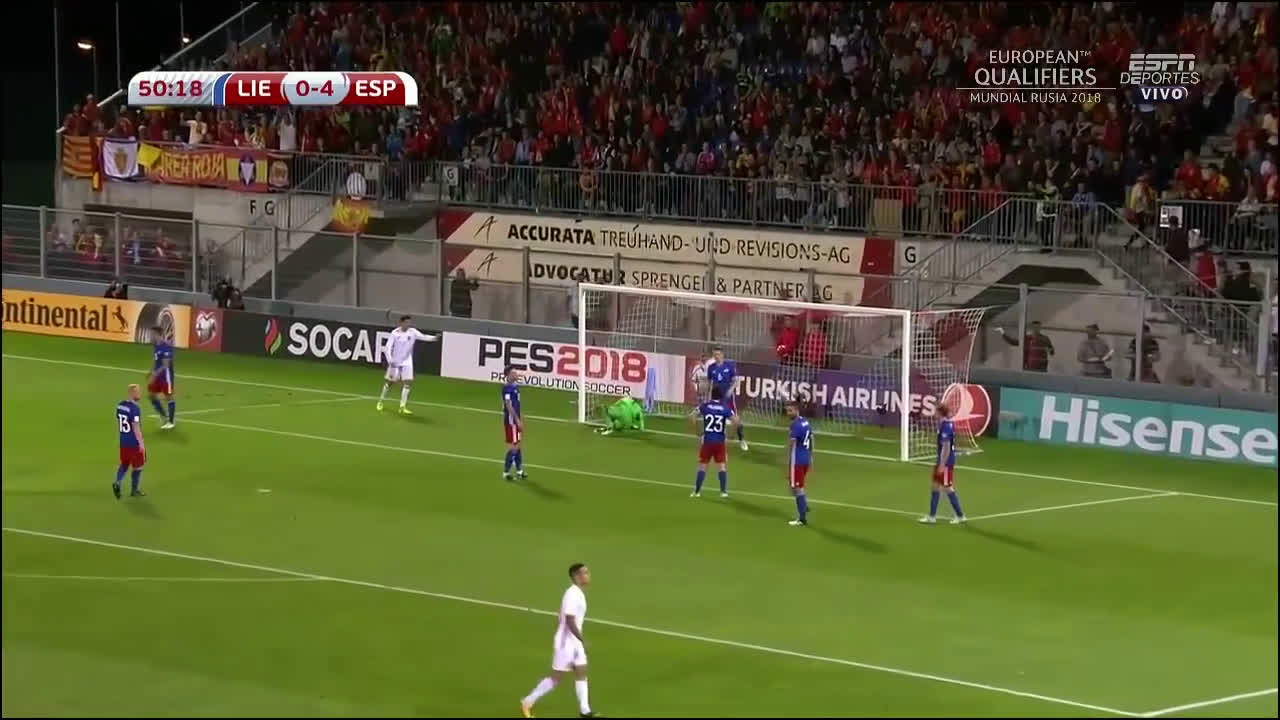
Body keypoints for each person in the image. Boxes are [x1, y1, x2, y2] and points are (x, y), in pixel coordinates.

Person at [520, 563, 596, 719]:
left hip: (574, 642)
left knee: (581, 671)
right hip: (566, 643)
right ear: (576, 576)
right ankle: (527, 701)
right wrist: (582, 640)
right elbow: (569, 619)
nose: (588, 575)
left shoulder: (578, 593)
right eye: (585, 572)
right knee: (556, 678)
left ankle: (585, 710)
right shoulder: (572, 594)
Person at [377, 315, 438, 414]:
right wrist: (390, 360)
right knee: (390, 382)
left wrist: (434, 338)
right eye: (406, 322)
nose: (408, 324)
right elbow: (388, 347)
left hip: (407, 361)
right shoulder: (395, 333)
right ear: (401, 323)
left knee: (408, 382)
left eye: (409, 322)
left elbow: (423, 336)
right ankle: (381, 401)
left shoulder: (412, 332)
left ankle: (402, 406)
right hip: (395, 361)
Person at [919, 403, 966, 524]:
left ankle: (960, 516)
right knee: (935, 486)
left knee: (947, 488)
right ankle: (932, 516)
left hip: (945, 462)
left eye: (936, 411)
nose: (934, 413)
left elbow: (946, 447)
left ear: (940, 413)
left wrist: (942, 464)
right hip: (942, 460)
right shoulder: (947, 424)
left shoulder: (946, 427)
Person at [690, 386, 736, 498]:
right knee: (721, 466)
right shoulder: (725, 408)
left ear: (711, 395)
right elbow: (736, 420)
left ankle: (697, 492)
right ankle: (723, 492)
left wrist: (697, 431)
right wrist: (732, 434)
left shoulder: (705, 406)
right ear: (721, 396)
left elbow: (692, 416)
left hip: (707, 441)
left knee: (702, 466)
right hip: (720, 441)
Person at [707, 347, 747, 450]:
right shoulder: (711, 368)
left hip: (728, 398)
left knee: (736, 420)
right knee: (716, 418)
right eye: (714, 354)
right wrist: (709, 397)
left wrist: (730, 390)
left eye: (718, 354)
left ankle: (741, 440)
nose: (716, 356)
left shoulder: (729, 365)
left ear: (722, 355)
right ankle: (715, 441)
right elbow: (710, 383)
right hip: (716, 398)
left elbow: (736, 380)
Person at [114, 384, 146, 499]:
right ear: (132, 393)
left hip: (123, 442)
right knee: (138, 467)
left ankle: (117, 482)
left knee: (124, 463)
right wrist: (141, 443)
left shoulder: (120, 405)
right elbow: (136, 427)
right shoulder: (135, 409)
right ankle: (134, 490)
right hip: (133, 444)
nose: (139, 394)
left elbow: (119, 421)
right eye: (137, 392)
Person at [784, 400, 812, 527]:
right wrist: (811, 455)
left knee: (796, 488)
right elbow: (811, 439)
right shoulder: (806, 422)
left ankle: (802, 518)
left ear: (796, 410)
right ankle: (804, 505)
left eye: (790, 410)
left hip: (797, 461)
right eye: (787, 411)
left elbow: (791, 444)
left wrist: (787, 460)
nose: (788, 413)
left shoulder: (795, 425)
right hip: (805, 458)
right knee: (795, 486)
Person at [146, 325, 176, 429]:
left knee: (168, 397)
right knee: (151, 395)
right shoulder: (156, 346)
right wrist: (151, 371)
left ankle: (171, 422)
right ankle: (163, 416)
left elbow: (166, 365)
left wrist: (155, 374)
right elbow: (157, 362)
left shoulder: (166, 347)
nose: (150, 336)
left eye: (151, 334)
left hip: (166, 377)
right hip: (157, 376)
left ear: (157, 334)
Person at [502, 366, 527, 481]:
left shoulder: (516, 387)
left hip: (516, 420)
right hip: (511, 421)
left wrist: (520, 418)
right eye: (514, 373)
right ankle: (506, 472)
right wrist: (517, 420)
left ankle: (519, 471)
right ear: (508, 375)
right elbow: (508, 405)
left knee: (518, 445)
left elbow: (517, 405)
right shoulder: (507, 388)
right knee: (514, 447)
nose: (516, 374)